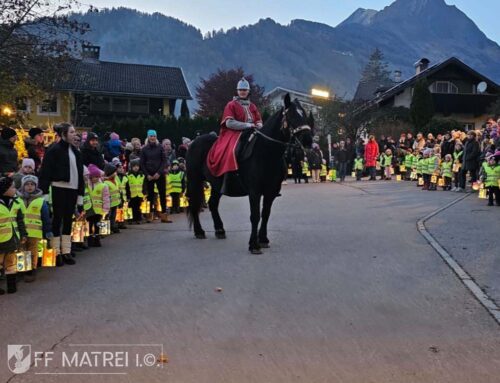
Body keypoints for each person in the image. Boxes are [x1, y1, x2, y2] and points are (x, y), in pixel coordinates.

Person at [206, 78, 263, 194]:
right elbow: (229, 123)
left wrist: (258, 125)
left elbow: (259, 120)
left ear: (248, 91)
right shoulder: (231, 105)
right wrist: (247, 125)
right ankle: (227, 179)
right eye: (241, 90)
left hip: (253, 131)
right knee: (232, 150)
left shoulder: (252, 106)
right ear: (237, 91)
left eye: (245, 90)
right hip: (233, 132)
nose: (243, 92)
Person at [39, 122, 84, 266]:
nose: (74, 134)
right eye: (71, 132)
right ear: (63, 134)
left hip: (72, 189)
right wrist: (45, 193)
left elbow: (80, 174)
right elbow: (45, 172)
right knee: (57, 220)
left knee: (68, 220)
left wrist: (80, 195)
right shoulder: (54, 150)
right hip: (58, 188)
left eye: (74, 132)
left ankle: (66, 251)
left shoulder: (76, 152)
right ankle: (56, 252)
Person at [17, 175, 52, 282]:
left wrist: (47, 231)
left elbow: (46, 218)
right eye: (27, 184)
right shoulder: (17, 200)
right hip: (21, 232)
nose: (29, 186)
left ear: (36, 186)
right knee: (22, 250)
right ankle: (23, 268)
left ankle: (31, 270)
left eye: (32, 184)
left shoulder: (41, 201)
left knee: (33, 251)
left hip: (35, 231)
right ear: (23, 186)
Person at [0, 176, 27, 294]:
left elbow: (20, 220)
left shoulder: (15, 203)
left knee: (11, 262)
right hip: (1, 240)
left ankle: (11, 285)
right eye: (12, 187)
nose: (15, 189)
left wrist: (23, 234)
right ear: (5, 190)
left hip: (13, 239)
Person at [140, 130, 171, 223]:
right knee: (150, 195)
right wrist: (147, 174)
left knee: (162, 194)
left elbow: (164, 161)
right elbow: (142, 163)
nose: (152, 137)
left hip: (159, 175)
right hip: (149, 175)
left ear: (156, 137)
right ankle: (149, 215)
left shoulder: (160, 147)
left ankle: (164, 215)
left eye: (154, 136)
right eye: (151, 136)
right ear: (148, 137)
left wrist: (159, 173)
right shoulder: (144, 149)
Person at [86, 164, 110, 247]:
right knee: (89, 224)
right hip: (89, 209)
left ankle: (97, 239)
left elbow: (106, 198)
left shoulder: (103, 186)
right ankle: (90, 239)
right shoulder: (87, 186)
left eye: (96, 177)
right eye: (93, 177)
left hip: (99, 210)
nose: (95, 178)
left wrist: (106, 209)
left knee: (98, 225)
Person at [126, 159, 145, 224]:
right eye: (134, 166)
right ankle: (130, 219)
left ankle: (138, 219)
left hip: (139, 194)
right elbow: (127, 186)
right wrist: (128, 195)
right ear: (131, 167)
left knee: (138, 207)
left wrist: (144, 192)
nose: (136, 167)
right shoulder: (128, 175)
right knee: (130, 207)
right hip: (131, 194)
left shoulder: (142, 175)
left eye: (137, 166)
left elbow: (144, 185)